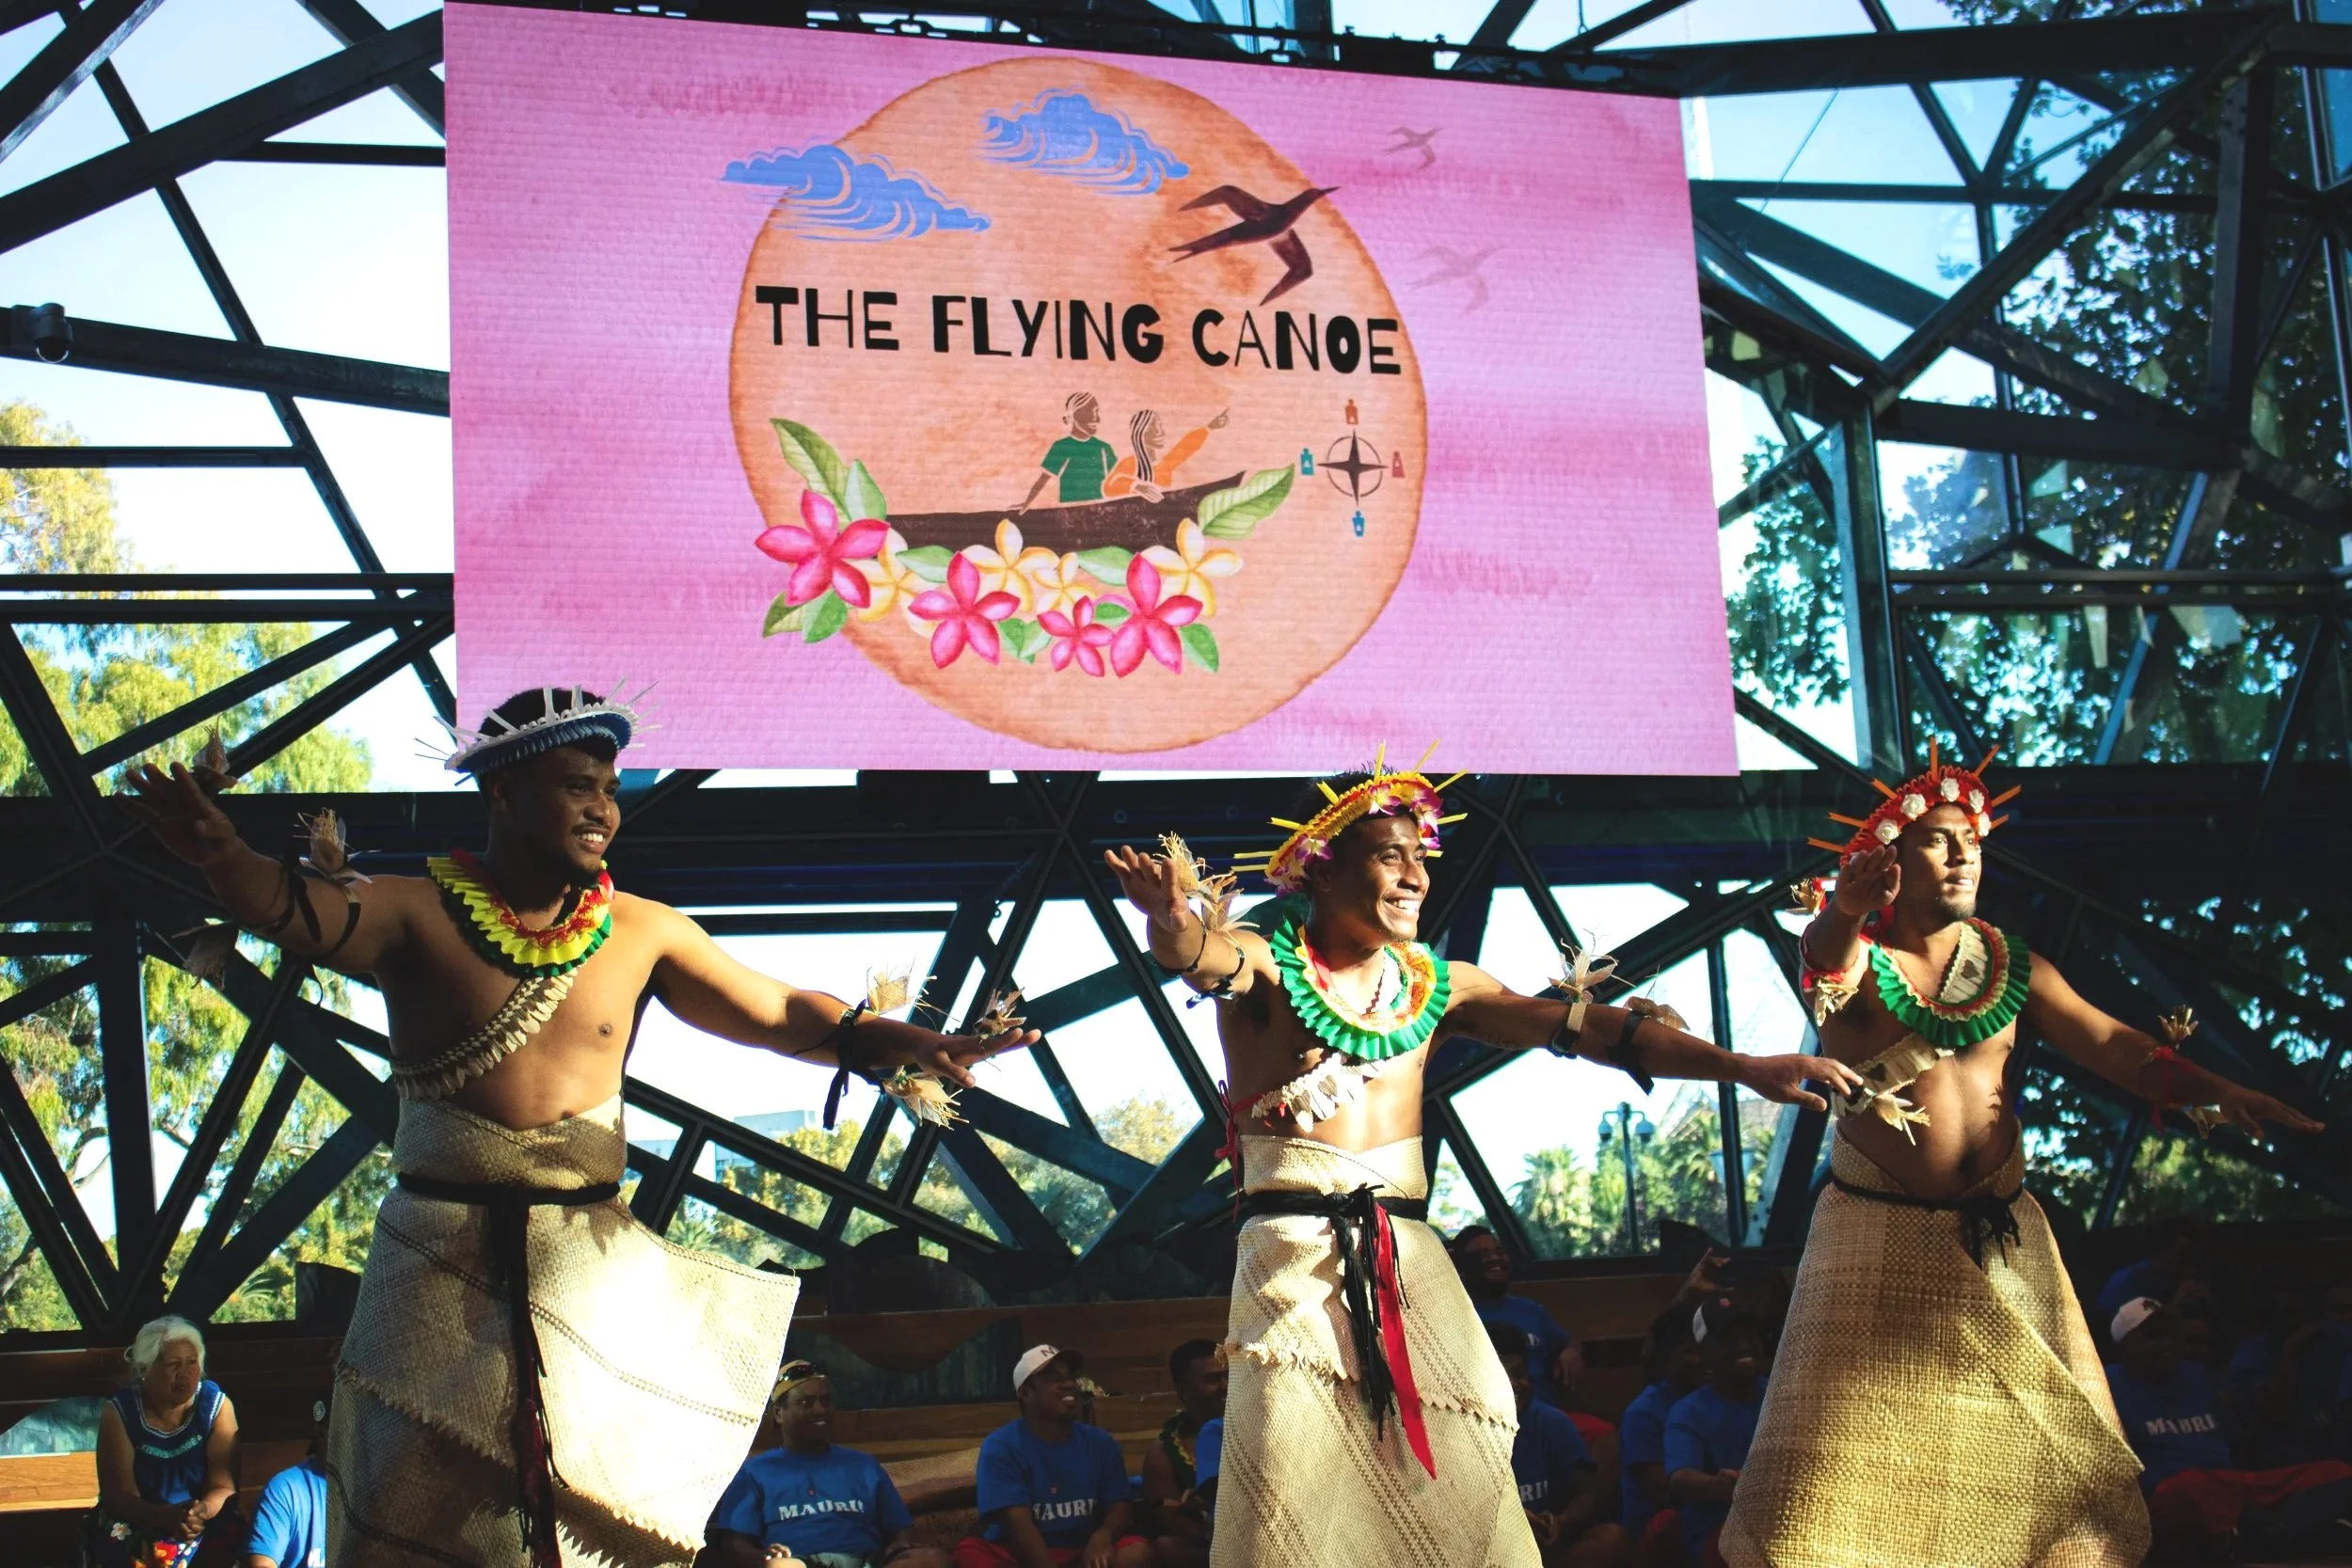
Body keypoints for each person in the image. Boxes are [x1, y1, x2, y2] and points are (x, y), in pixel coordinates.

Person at [120, 688, 1032, 1568]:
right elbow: (296, 910)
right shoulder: (413, 910)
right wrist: (222, 856)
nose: (601, 805)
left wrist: (900, 1041)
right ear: (502, 787)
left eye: (609, 785)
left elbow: (782, 1008)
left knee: (596, 1521)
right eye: (575, 783)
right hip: (434, 1275)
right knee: (416, 1507)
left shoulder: (643, 932)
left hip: (588, 1282)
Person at [1105, 752, 1860, 1568]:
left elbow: (1596, 1028)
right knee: (1288, 1489)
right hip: (1292, 1262)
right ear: (1321, 872)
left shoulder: (1442, 985)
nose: (1414, 876)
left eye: (1421, 858)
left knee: (1456, 1482)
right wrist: (1171, 918)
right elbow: (1198, 955)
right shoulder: (1266, 962)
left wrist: (1744, 1067)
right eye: (1390, 857)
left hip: (1407, 1258)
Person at [1719, 748, 2321, 1568]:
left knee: (2057, 1482)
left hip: (2003, 1236)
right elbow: (1822, 963)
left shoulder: (2013, 965)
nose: (1964, 853)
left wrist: (2223, 1088)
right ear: (1890, 858)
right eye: (1937, 839)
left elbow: (2117, 1045)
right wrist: (1844, 912)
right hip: (1877, 1238)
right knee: (1831, 1495)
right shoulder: (1860, 962)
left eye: (1972, 840)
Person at [2106, 1297, 2352, 1560]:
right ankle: (2253, 1541)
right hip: (2170, 1498)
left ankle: (2275, 1535)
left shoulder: (2197, 1375)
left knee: (2335, 1472)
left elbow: (2247, 1433)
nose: (2167, 1344)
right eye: (2153, 1336)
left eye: (2171, 1335)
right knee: (2188, 1486)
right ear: (2125, 1346)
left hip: (2233, 1485)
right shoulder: (2108, 1384)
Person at [706, 1361, 946, 1568]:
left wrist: (898, 1545)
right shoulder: (755, 1471)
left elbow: (900, 1527)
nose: (820, 1409)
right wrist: (762, 1557)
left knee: (932, 1560)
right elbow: (734, 1541)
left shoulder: (863, 1465)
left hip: (866, 1562)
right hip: (800, 1562)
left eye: (826, 1401)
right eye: (805, 1403)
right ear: (779, 1413)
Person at [956, 1344, 1151, 1568]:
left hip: (1083, 1550)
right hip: (1023, 1554)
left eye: (1072, 1377)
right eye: (1053, 1378)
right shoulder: (1001, 1446)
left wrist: (1102, 1537)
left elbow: (1120, 1506)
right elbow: (1018, 1526)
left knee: (1137, 1553)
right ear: (1026, 1393)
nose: (1070, 1384)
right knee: (970, 1553)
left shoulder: (1101, 1442)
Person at [94, 1316, 243, 1568]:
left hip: (202, 1521)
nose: (184, 1374)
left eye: (192, 1362)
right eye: (173, 1364)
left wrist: (198, 1514)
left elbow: (223, 1487)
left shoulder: (216, 1407)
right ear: (145, 1370)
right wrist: (166, 1517)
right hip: (138, 1522)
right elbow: (119, 1495)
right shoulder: (120, 1412)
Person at [1490, 1325, 1628, 1568]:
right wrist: (1513, 1523)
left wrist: (1560, 1522)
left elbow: (1585, 1494)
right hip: (1493, 1553)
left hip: (1549, 1550)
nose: (1514, 1385)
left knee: (1611, 1538)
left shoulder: (1551, 1422)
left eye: (1519, 1374)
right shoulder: (1465, 1430)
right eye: (1502, 1376)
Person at [1663, 1301, 1766, 1568]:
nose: (1744, 1346)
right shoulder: (1689, 1412)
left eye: (1749, 1336)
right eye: (1729, 1339)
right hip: (1720, 1532)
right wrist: (1719, 1486)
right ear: (1703, 1353)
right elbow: (1680, 1478)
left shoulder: (1783, 1393)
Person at [1454, 1227, 1582, 1413]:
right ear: (1461, 1265)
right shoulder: (1455, 1315)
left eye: (1499, 1252)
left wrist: (1570, 1351)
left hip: (1544, 1416)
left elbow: (1567, 1342)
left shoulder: (1530, 1310)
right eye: (1483, 1255)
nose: (1494, 1259)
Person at [1620, 1304, 1708, 1568]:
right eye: (1693, 1351)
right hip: (1660, 1536)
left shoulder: (1721, 1397)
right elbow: (1665, 1494)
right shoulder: (1645, 1412)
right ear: (1668, 1358)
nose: (1706, 1359)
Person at [1136, 1340, 1226, 1568]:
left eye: (1228, 1375)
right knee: (1168, 1548)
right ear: (1183, 1391)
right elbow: (1166, 1518)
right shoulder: (1164, 1451)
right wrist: (1216, 1536)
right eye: (1212, 1379)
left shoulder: (1257, 1428)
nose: (1225, 1385)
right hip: (1207, 1544)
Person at [246, 1383, 333, 1568]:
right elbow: (262, 1564)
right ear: (320, 1434)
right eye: (330, 1431)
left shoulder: (372, 1485)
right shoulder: (286, 1490)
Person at [2094, 1213, 2209, 1329]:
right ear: (2162, 1250)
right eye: (2182, 1258)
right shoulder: (2129, 1281)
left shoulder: (2177, 1285)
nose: (2188, 1268)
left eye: (2194, 1259)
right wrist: (2172, 1310)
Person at [1013, 393, 1118, 512]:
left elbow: (1119, 480)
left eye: (1097, 411)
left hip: (1099, 514)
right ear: (1073, 415)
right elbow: (1043, 480)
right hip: (1071, 514)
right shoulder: (1062, 447)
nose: (1096, 418)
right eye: (1088, 411)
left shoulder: (1104, 448)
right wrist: (1027, 503)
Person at [1102, 407, 1229, 501]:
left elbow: (1185, 448)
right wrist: (1138, 486)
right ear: (1141, 433)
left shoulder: (1164, 466)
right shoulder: (1130, 463)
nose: (1160, 433)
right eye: (1154, 428)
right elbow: (1109, 487)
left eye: (1160, 426)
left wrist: (1209, 428)